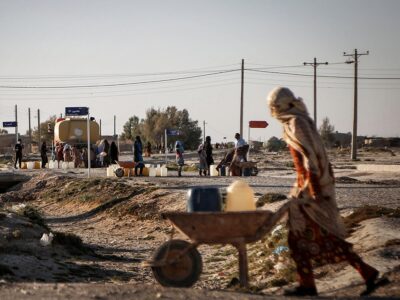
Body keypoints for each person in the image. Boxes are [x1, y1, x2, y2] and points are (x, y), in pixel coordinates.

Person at [267, 87, 387, 296]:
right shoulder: (293, 122)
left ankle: (364, 274)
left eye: (274, 106)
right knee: (300, 237)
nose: (272, 110)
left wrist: (314, 190)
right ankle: (310, 284)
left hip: (312, 188)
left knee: (317, 236)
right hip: (304, 187)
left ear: (281, 106)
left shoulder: (297, 123)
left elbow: (311, 158)